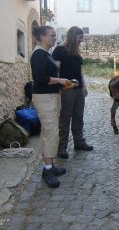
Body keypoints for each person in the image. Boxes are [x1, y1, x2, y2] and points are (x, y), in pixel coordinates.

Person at [31, 26, 69, 188]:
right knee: (51, 132)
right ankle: (47, 170)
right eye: (52, 35)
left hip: (51, 97)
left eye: (55, 35)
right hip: (44, 98)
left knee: (50, 131)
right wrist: (60, 81)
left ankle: (50, 165)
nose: (55, 38)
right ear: (41, 37)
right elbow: (39, 78)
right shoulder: (39, 54)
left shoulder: (46, 54)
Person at [52, 26, 93, 159]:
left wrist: (84, 87)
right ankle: (62, 147)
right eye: (80, 37)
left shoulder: (77, 52)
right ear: (72, 36)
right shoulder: (59, 50)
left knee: (78, 116)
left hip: (78, 89)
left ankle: (79, 142)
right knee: (65, 118)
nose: (82, 40)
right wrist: (58, 87)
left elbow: (80, 72)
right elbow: (56, 70)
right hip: (66, 89)